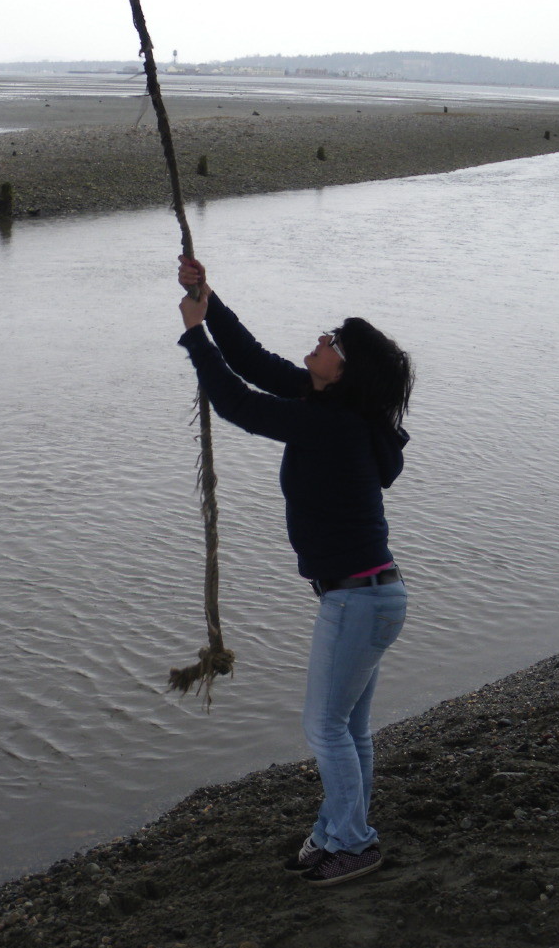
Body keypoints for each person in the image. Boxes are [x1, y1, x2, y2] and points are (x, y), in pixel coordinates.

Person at [174, 255, 413, 887]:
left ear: (345, 369)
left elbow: (239, 404)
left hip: (357, 599)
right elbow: (251, 363)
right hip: (373, 596)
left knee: (325, 726)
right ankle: (338, 833)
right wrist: (207, 297)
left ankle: (355, 842)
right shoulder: (330, 406)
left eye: (331, 341)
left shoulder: (332, 425)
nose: (321, 340)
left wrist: (195, 336)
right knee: (349, 728)